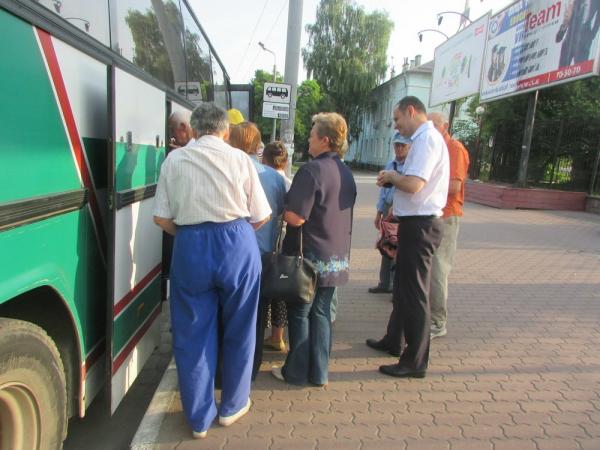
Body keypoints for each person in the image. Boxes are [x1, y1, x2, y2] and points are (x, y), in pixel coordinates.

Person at [153, 103, 271, 438]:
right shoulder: (240, 159)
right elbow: (262, 214)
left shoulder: (174, 160)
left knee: (191, 331)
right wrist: (237, 231)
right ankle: (233, 405)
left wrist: (191, 233)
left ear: (192, 130)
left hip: (190, 246)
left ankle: (199, 418)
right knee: (241, 326)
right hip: (237, 244)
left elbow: (161, 218)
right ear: (226, 131)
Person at [271, 112, 357, 386]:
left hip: (308, 257)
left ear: (325, 139)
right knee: (321, 313)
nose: (308, 139)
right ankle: (319, 372)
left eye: (312, 135)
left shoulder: (311, 171)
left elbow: (296, 217)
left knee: (300, 312)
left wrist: (282, 208)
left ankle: (296, 372)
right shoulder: (345, 172)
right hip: (336, 255)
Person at [369, 96, 449, 379]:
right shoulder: (423, 139)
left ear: (411, 111)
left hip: (421, 225)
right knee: (404, 289)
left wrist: (392, 176)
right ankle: (394, 340)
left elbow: (414, 184)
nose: (396, 125)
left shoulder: (426, 140)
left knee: (414, 294)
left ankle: (415, 361)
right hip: (415, 223)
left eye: (397, 118)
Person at [228, 123, 286, 379]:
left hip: (230, 252)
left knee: (229, 310)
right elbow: (280, 212)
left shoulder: (226, 169)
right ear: (256, 144)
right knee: (258, 312)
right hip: (262, 255)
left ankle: (225, 368)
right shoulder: (274, 177)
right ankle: (251, 368)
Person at [428, 112, 470, 339]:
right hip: (431, 214)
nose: (430, 128)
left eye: (434, 124)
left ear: (446, 126)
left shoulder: (454, 148)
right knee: (429, 268)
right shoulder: (434, 146)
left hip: (447, 215)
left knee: (438, 268)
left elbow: (454, 186)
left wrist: (422, 184)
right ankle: (430, 316)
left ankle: (438, 322)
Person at [369, 132, 411, 294]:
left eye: (402, 145)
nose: (399, 148)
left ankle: (395, 285)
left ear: (409, 147)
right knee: (386, 245)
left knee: (398, 248)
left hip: (402, 210)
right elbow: (383, 191)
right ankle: (384, 283)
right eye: (397, 145)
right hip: (388, 208)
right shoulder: (390, 165)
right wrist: (379, 212)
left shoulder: (410, 166)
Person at [261, 141, 292, 352]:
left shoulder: (261, 179)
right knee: (280, 290)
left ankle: (260, 330)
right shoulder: (288, 183)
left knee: (263, 290)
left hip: (265, 242)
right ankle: (277, 336)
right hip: (283, 242)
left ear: (264, 159)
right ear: (286, 162)